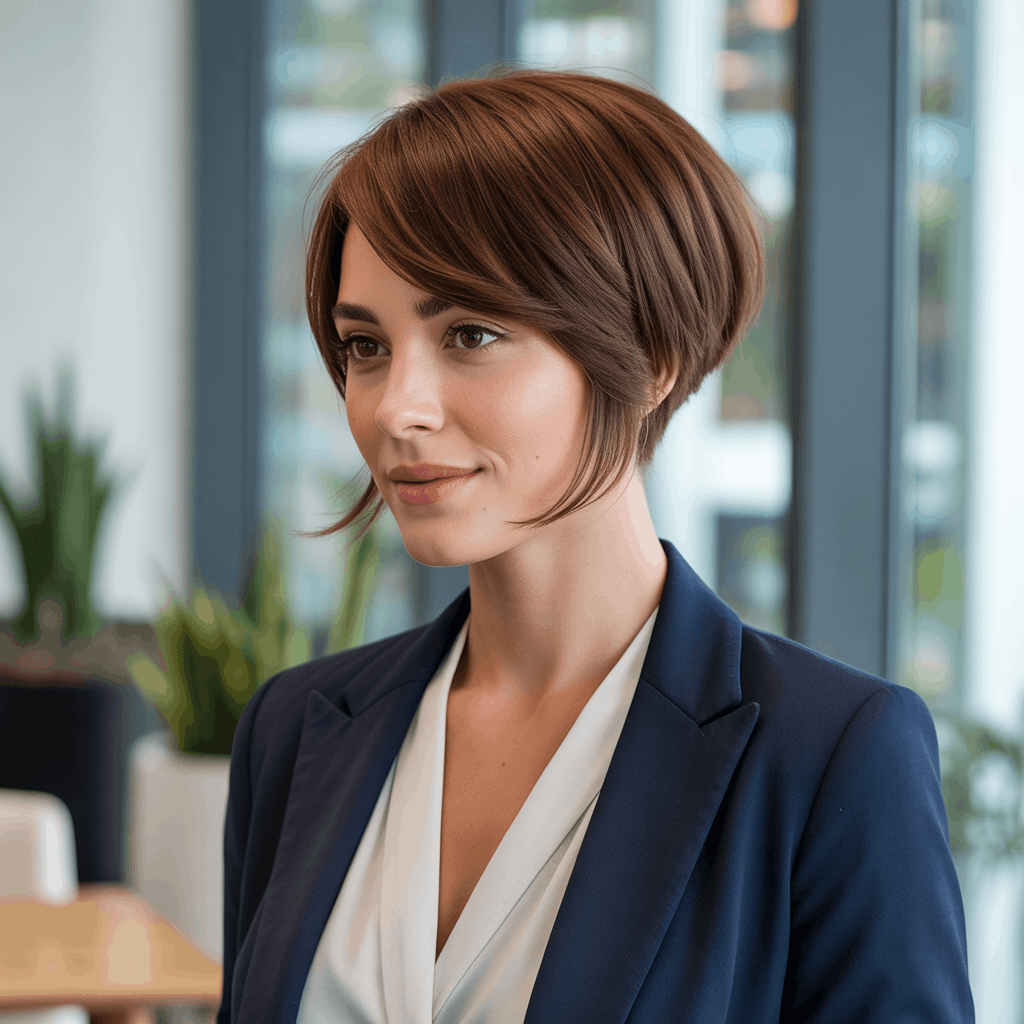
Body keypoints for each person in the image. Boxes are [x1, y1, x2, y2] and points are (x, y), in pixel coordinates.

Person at [217, 68, 973, 1024]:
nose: (396, 409)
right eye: (366, 345)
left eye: (472, 333)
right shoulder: (296, 727)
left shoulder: (830, 756)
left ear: (650, 358)